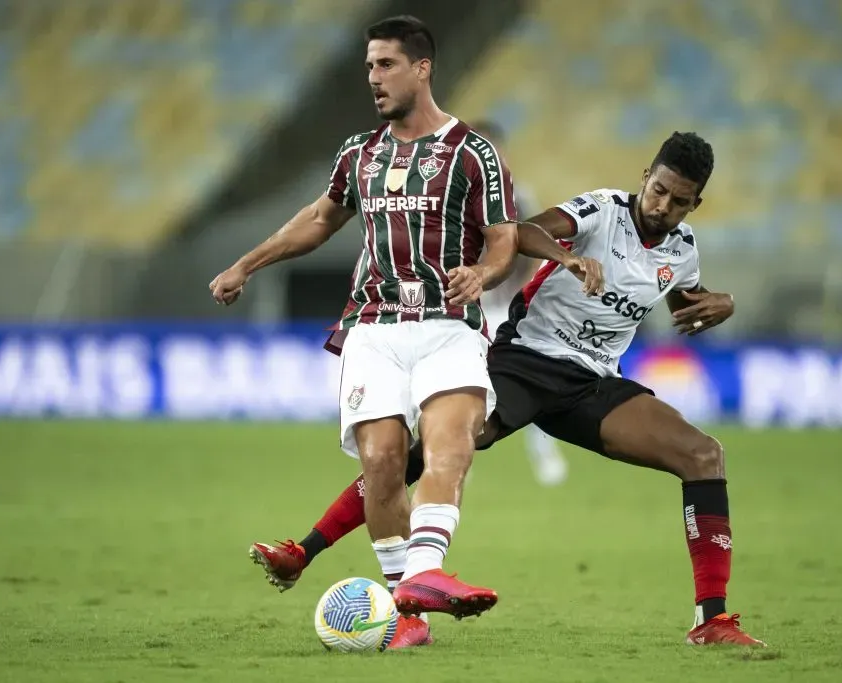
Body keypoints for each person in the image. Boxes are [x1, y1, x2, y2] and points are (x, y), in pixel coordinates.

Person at [250, 132, 766, 647]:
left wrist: (721, 305)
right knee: (430, 453)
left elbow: (683, 302)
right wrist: (567, 258)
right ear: (646, 177)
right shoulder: (602, 211)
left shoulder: (682, 249)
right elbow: (519, 231)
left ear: (695, 203)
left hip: (590, 382)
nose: (663, 206)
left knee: (703, 456)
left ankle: (711, 621)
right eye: (658, 190)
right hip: (523, 362)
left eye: (679, 201)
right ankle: (305, 551)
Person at [214, 15, 599, 649]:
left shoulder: (473, 153)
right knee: (383, 464)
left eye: (386, 64)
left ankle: (422, 574)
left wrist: (482, 272)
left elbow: (503, 237)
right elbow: (319, 219)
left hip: (450, 326)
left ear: (422, 69)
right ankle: (410, 611)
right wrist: (245, 265)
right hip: (374, 328)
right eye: (369, 66)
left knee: (451, 446)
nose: (374, 77)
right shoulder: (359, 154)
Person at [472, 120, 568, 486]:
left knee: (529, 382)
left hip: (510, 307)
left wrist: (527, 295)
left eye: (493, 150)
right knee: (462, 386)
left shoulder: (519, 197)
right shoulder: (455, 196)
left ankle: (544, 452)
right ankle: (454, 458)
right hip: (470, 309)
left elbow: (535, 247)